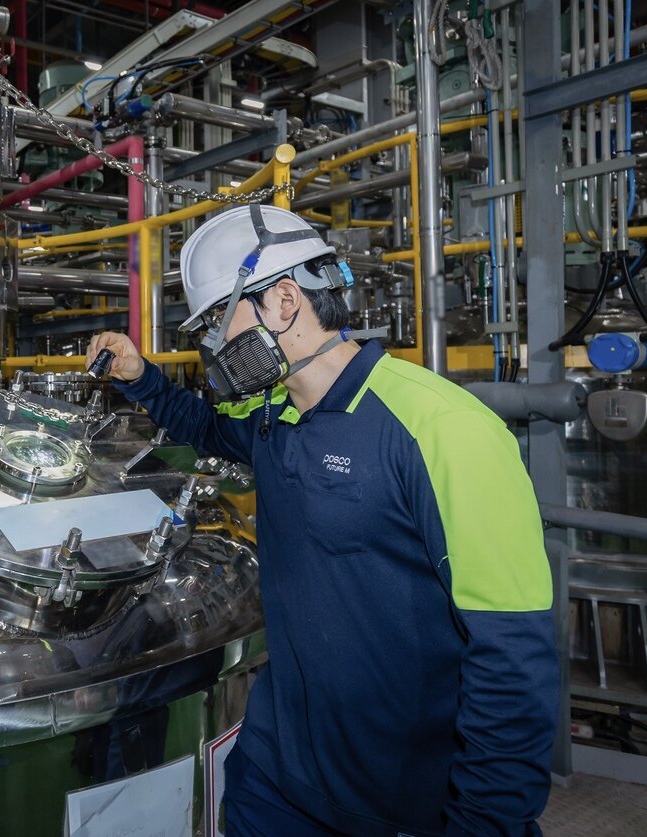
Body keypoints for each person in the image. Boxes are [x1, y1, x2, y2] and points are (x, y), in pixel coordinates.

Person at [87, 204, 558, 837]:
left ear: (284, 302)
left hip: (404, 799)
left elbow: (512, 655)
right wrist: (141, 378)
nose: (210, 348)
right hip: (280, 779)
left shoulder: (442, 430)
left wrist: (485, 822)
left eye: (217, 325)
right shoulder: (277, 417)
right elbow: (204, 428)